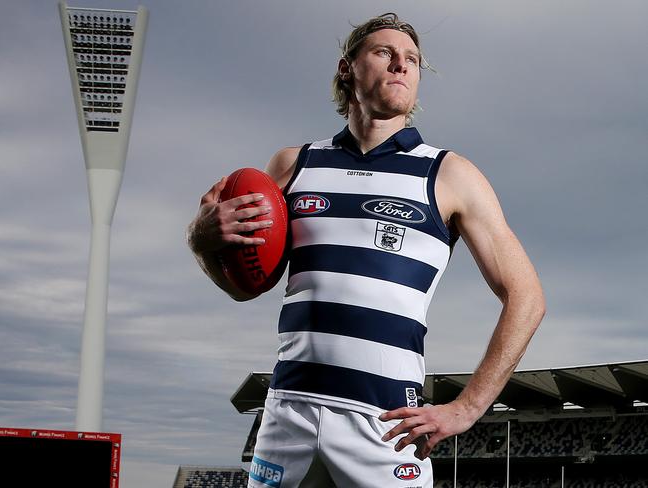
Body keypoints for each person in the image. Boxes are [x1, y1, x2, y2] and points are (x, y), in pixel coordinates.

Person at [187, 12, 545, 488]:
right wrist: (204, 240)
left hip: (385, 424)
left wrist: (468, 406)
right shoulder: (294, 164)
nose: (401, 65)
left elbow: (527, 298)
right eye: (384, 53)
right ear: (346, 69)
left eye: (412, 60)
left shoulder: (449, 174)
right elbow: (243, 288)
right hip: (288, 414)